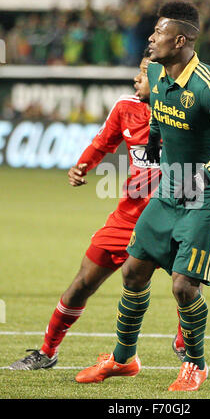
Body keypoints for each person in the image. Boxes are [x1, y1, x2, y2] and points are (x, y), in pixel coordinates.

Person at [75, 0, 210, 391]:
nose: (150, 38)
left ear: (180, 40)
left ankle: (196, 364)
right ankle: (124, 360)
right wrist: (156, 139)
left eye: (158, 33)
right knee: (133, 271)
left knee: (182, 286)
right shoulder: (155, 71)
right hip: (170, 186)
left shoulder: (207, 84)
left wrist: (208, 172)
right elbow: (158, 109)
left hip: (206, 193)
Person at [9, 50, 184, 370]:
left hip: (171, 219)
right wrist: (83, 165)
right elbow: (104, 141)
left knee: (186, 285)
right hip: (126, 219)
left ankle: (185, 344)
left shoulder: (185, 114)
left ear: (162, 81)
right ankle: (47, 352)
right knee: (82, 283)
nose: (136, 78)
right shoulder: (125, 107)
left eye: (143, 73)